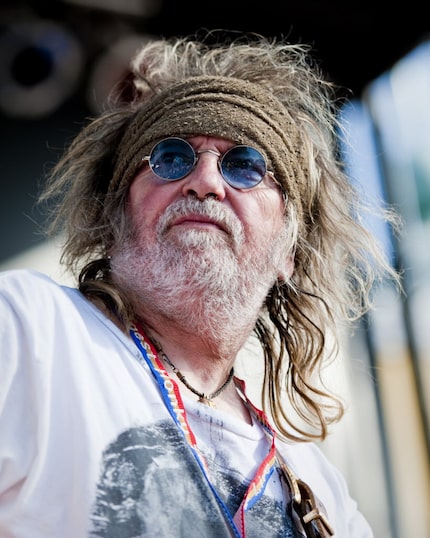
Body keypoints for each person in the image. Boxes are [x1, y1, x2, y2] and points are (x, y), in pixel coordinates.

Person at [0, 31, 400, 537]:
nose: (206, 181)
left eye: (245, 165)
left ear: (289, 255)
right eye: (171, 158)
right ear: (114, 221)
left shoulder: (320, 490)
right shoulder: (26, 329)